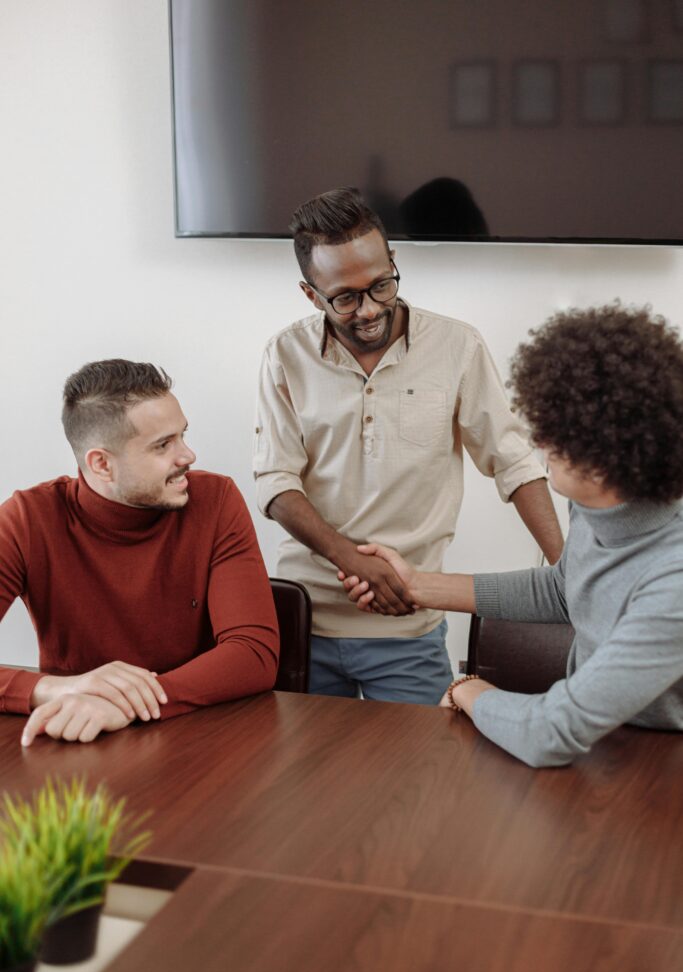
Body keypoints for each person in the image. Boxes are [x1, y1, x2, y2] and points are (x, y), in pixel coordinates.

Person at [254, 187, 563, 704]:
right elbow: (275, 482)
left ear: (393, 262)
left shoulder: (458, 347)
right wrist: (350, 558)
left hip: (408, 626)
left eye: (381, 285)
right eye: (346, 298)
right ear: (311, 294)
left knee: (418, 780)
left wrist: (570, 572)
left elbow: (514, 463)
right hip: (304, 621)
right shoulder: (283, 356)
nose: (370, 309)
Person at [342, 302, 683, 765]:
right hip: (609, 745)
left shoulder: (674, 579)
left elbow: (551, 731)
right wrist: (417, 584)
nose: (538, 444)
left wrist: (467, 687)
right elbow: (566, 589)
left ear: (605, 459)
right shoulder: (597, 504)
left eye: (554, 436)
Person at [0, 360, 279, 746]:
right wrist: (57, 690)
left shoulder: (216, 500)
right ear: (102, 464)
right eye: (163, 445)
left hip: (201, 737)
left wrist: (129, 705)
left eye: (182, 435)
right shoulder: (27, 519)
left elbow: (253, 653)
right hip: (74, 739)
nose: (188, 456)